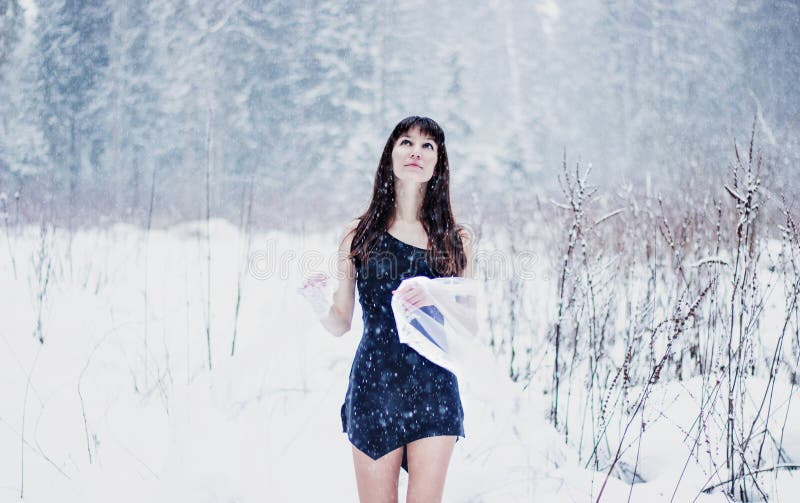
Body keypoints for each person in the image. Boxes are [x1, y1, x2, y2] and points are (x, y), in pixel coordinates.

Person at [300, 116, 474, 502]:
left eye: (428, 146)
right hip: (374, 386)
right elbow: (342, 322)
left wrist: (434, 296)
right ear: (390, 155)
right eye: (407, 142)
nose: (416, 151)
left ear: (438, 163)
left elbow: (469, 325)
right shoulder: (358, 233)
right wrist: (318, 304)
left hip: (434, 386)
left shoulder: (456, 238)